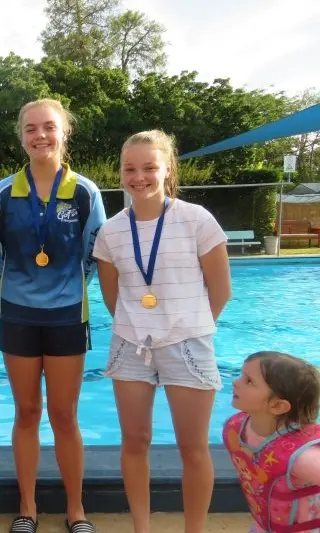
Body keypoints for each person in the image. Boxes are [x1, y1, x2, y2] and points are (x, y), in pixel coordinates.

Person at [92, 130, 231, 533]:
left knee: (193, 448)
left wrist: (188, 327)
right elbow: (112, 297)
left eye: (149, 167)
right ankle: (141, 528)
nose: (139, 177)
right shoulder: (111, 232)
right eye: (130, 168)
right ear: (120, 172)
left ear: (167, 169)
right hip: (131, 346)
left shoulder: (197, 220)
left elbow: (220, 291)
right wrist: (141, 325)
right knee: (134, 442)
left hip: (187, 344)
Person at [0, 98, 106, 533]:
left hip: (67, 316)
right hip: (18, 316)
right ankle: (28, 507)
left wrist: (65, 291)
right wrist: (16, 292)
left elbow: (94, 253)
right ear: (22, 136)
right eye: (31, 128)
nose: (40, 136)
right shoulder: (1, 193)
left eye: (48, 127)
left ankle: (76, 509)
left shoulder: (85, 191)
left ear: (63, 133)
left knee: (65, 415)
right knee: (27, 411)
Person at [224, 351, 320, 533]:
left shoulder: (302, 458)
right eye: (241, 376)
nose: (236, 382)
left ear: (277, 406)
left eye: (249, 381)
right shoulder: (238, 427)